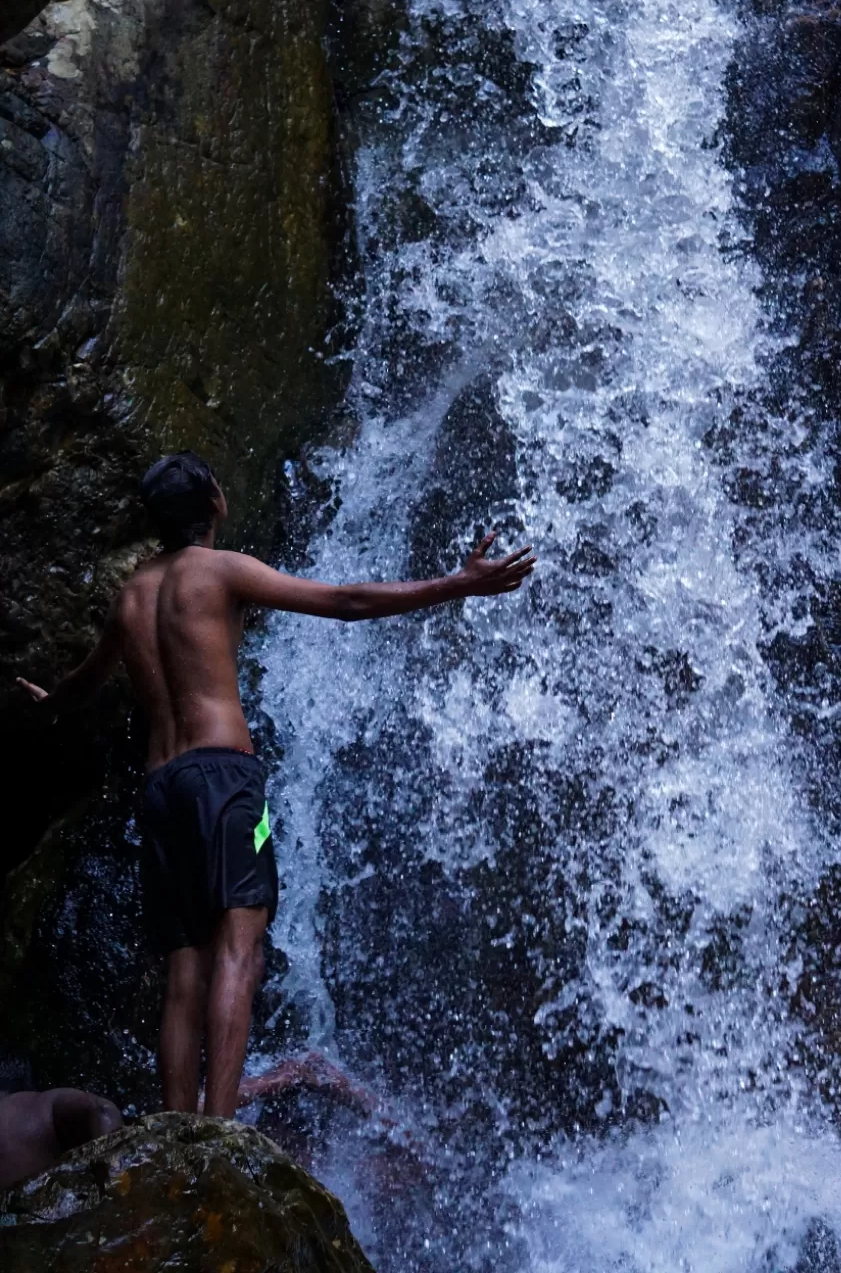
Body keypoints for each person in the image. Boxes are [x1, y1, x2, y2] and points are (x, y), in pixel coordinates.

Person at [16, 451, 536, 1120]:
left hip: (162, 788)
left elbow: (79, 688)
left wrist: (46, 702)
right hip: (223, 778)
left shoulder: (132, 596)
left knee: (183, 966)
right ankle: (217, 1130)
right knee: (241, 942)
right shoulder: (221, 570)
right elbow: (344, 602)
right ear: (214, 500)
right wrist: (455, 585)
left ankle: (174, 1130)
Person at [0, 1053, 123, 1190]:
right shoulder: (40, 1107)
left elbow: (102, 1112)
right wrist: (116, 1174)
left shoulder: (34, 1109)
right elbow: (103, 1112)